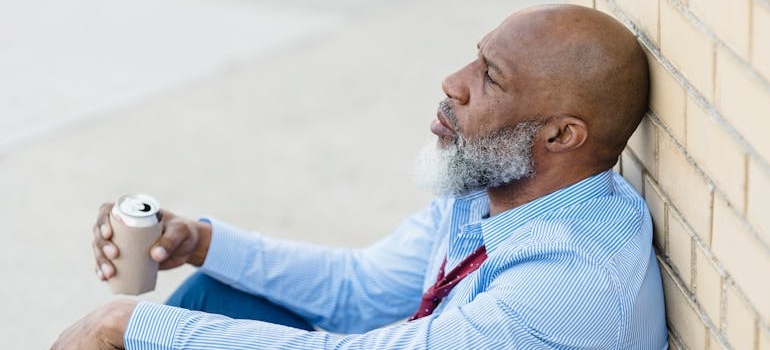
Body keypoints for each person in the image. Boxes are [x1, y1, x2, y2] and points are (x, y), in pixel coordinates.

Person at [52, 4, 668, 349]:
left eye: (490, 77)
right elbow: (362, 291)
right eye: (475, 57)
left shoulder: (570, 281)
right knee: (218, 297)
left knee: (159, 334)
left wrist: (132, 326)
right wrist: (201, 242)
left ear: (560, 135)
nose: (453, 81)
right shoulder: (499, 192)